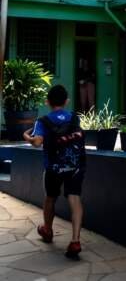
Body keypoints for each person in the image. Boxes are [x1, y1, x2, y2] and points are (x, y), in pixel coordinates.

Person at [23, 85, 86, 260]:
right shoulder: (74, 118)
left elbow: (37, 143)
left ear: (47, 102)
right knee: (75, 198)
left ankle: (47, 230)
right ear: (67, 101)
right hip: (75, 166)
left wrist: (27, 137)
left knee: (50, 197)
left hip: (53, 168)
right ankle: (75, 240)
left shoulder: (42, 121)